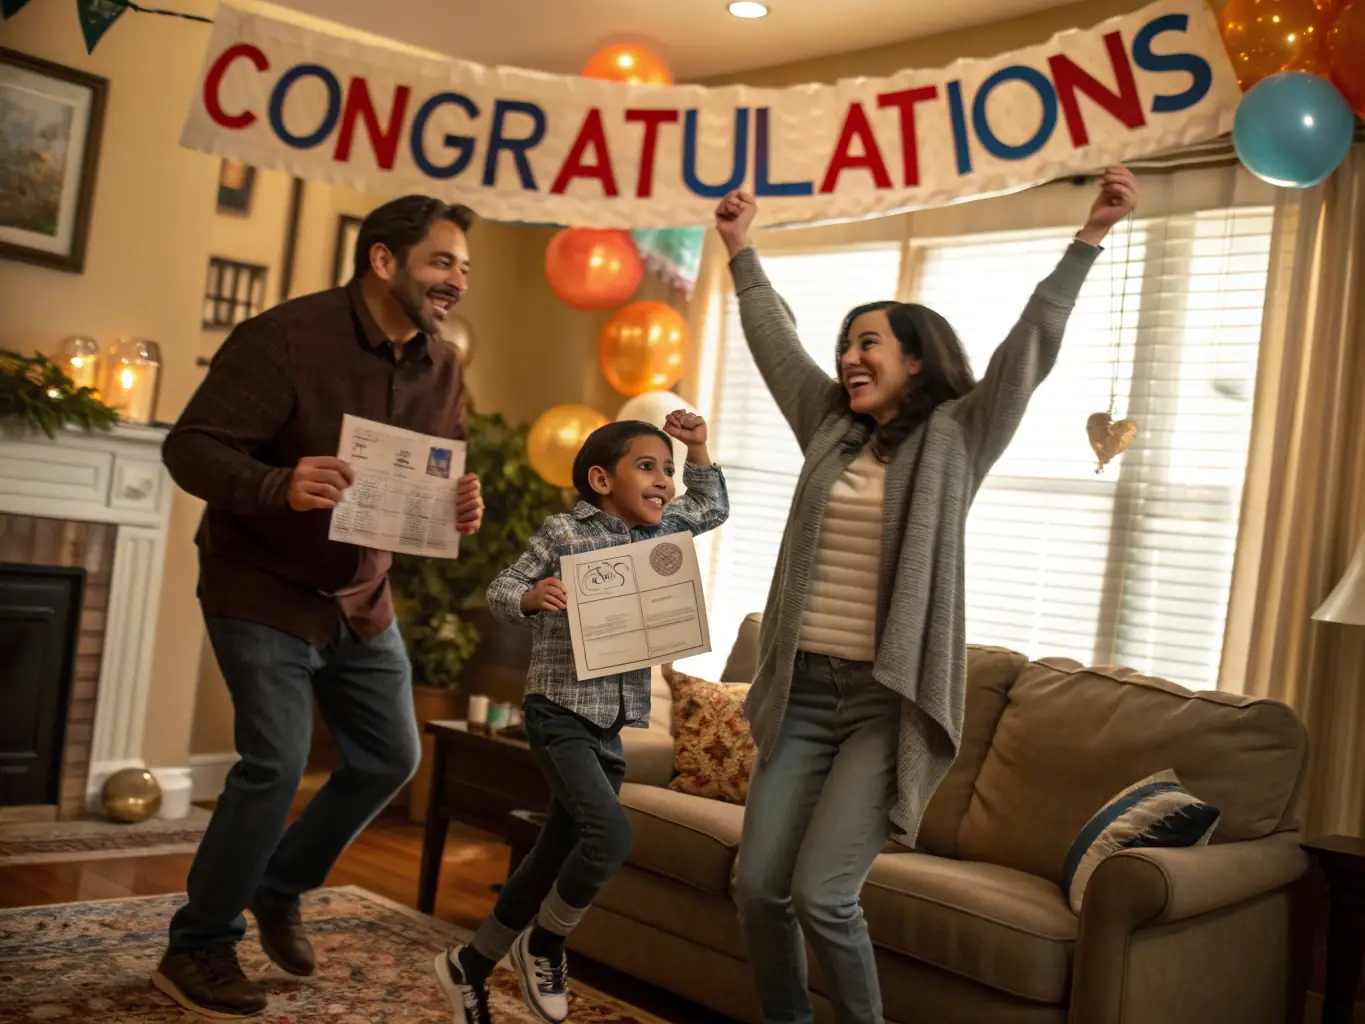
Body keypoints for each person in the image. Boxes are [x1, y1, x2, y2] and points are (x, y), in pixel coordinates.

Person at [714, 167, 1139, 1024]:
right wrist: (740, 251)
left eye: (867, 343)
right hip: (800, 692)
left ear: (915, 359)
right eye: (845, 344)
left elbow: (1030, 347)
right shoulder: (827, 423)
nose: (847, 357)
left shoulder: (957, 436)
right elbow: (773, 342)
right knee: (758, 888)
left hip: (883, 703)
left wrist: (1087, 240)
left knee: (823, 896)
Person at [153, 195, 487, 1018]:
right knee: (275, 762)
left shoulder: (442, 364)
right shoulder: (284, 338)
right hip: (259, 584)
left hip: (363, 595)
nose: (456, 282)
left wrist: (459, 502)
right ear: (384, 260)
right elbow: (188, 447)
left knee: (387, 757)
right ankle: (197, 946)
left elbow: (432, 472)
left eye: (464, 269)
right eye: (442, 263)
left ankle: (280, 885)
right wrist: (278, 483)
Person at [435, 413, 729, 1024]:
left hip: (614, 719)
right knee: (611, 836)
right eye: (647, 467)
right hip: (558, 710)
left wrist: (697, 446)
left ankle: (469, 964)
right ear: (600, 478)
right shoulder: (565, 532)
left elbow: (712, 505)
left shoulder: (664, 532)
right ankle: (544, 942)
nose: (665, 482)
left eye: (668, 471)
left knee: (550, 854)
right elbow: (500, 588)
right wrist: (530, 596)